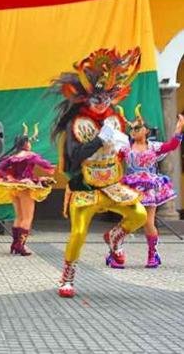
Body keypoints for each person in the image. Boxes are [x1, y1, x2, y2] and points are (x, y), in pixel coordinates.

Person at [50, 47, 147, 298]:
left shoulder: (116, 120)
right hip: (85, 185)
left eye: (107, 97)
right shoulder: (77, 124)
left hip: (112, 184)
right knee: (79, 232)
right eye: (97, 98)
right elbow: (73, 161)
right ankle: (68, 275)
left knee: (139, 215)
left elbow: (121, 151)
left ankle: (114, 237)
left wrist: (122, 145)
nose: (102, 103)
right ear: (85, 98)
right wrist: (98, 141)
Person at [122, 106, 184, 268]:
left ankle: (152, 255)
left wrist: (178, 130)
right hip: (129, 190)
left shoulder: (153, 147)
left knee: (148, 222)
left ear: (147, 131)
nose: (133, 130)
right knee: (126, 221)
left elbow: (171, 146)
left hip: (148, 188)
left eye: (137, 127)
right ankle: (116, 251)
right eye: (131, 128)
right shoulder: (125, 148)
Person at [0, 123, 56, 256]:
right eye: (29, 141)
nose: (30, 144)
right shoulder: (30, 155)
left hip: (14, 187)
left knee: (19, 216)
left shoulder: (12, 157)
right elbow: (44, 163)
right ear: (25, 143)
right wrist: (50, 167)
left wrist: (8, 176)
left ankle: (15, 245)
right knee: (27, 217)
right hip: (25, 187)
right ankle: (20, 246)